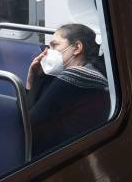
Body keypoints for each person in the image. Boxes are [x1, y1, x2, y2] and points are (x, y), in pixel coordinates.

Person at [25, 23, 110, 157]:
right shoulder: (92, 71)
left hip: (58, 154)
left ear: (76, 47)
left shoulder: (75, 75)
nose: (47, 52)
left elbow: (28, 122)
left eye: (54, 45)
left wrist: (32, 80)